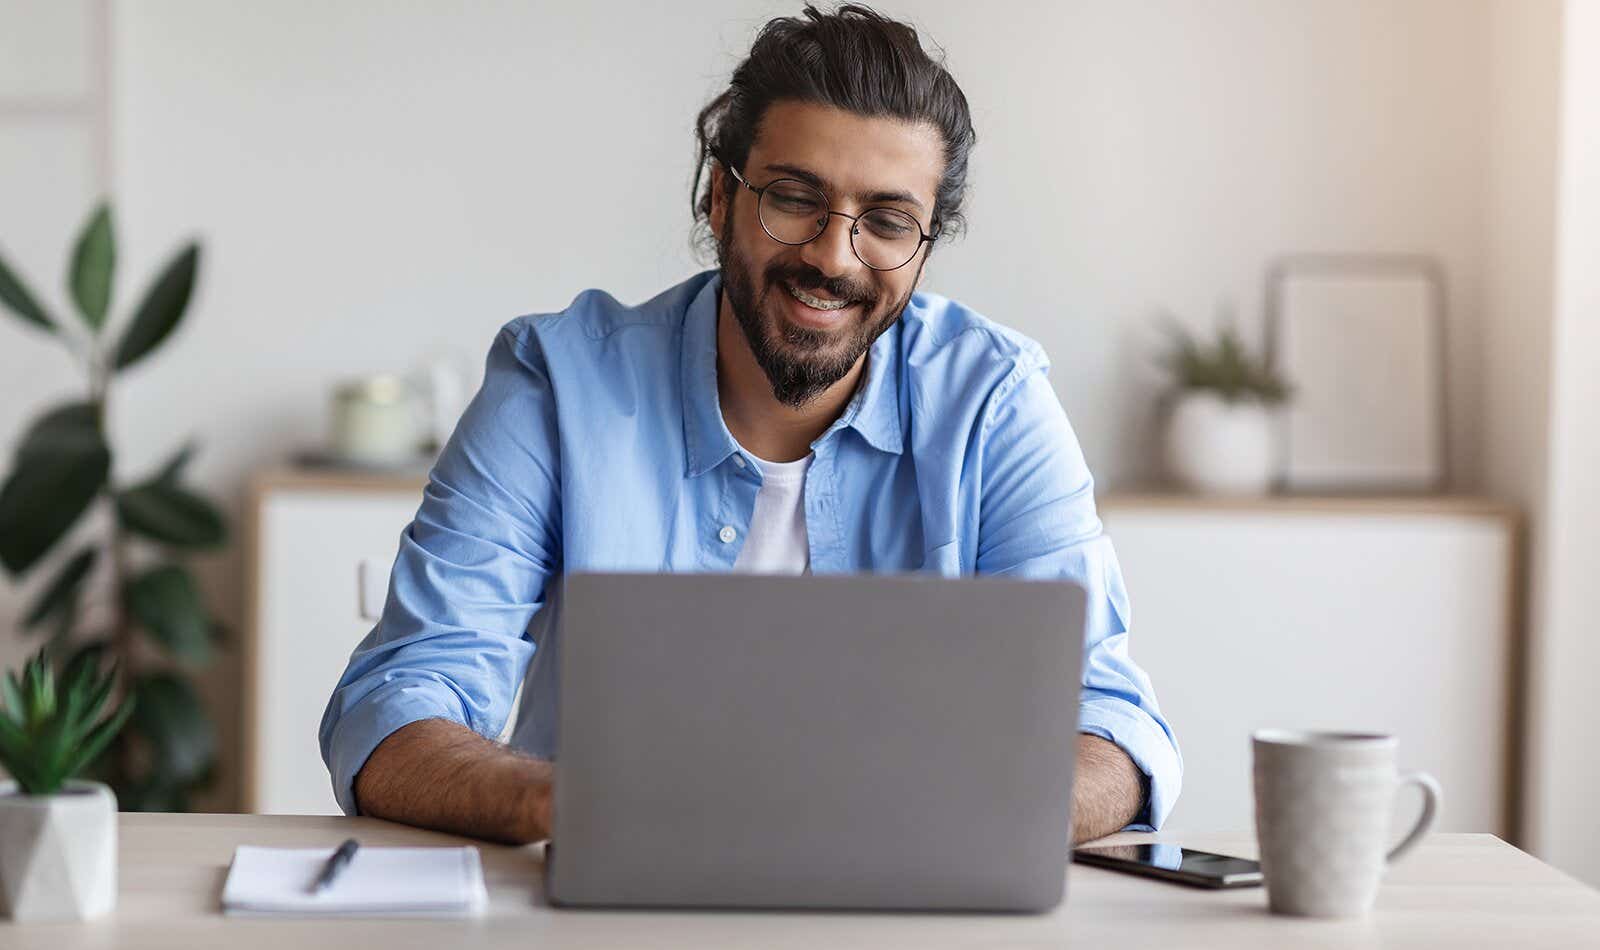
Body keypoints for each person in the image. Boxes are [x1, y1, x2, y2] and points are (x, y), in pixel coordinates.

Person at [319, 3, 1180, 848]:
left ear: (923, 245)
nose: (835, 257)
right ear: (718, 197)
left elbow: (1111, 723)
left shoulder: (995, 402)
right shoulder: (557, 385)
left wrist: (959, 825)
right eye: (795, 199)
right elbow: (397, 703)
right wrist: (563, 801)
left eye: (887, 222)